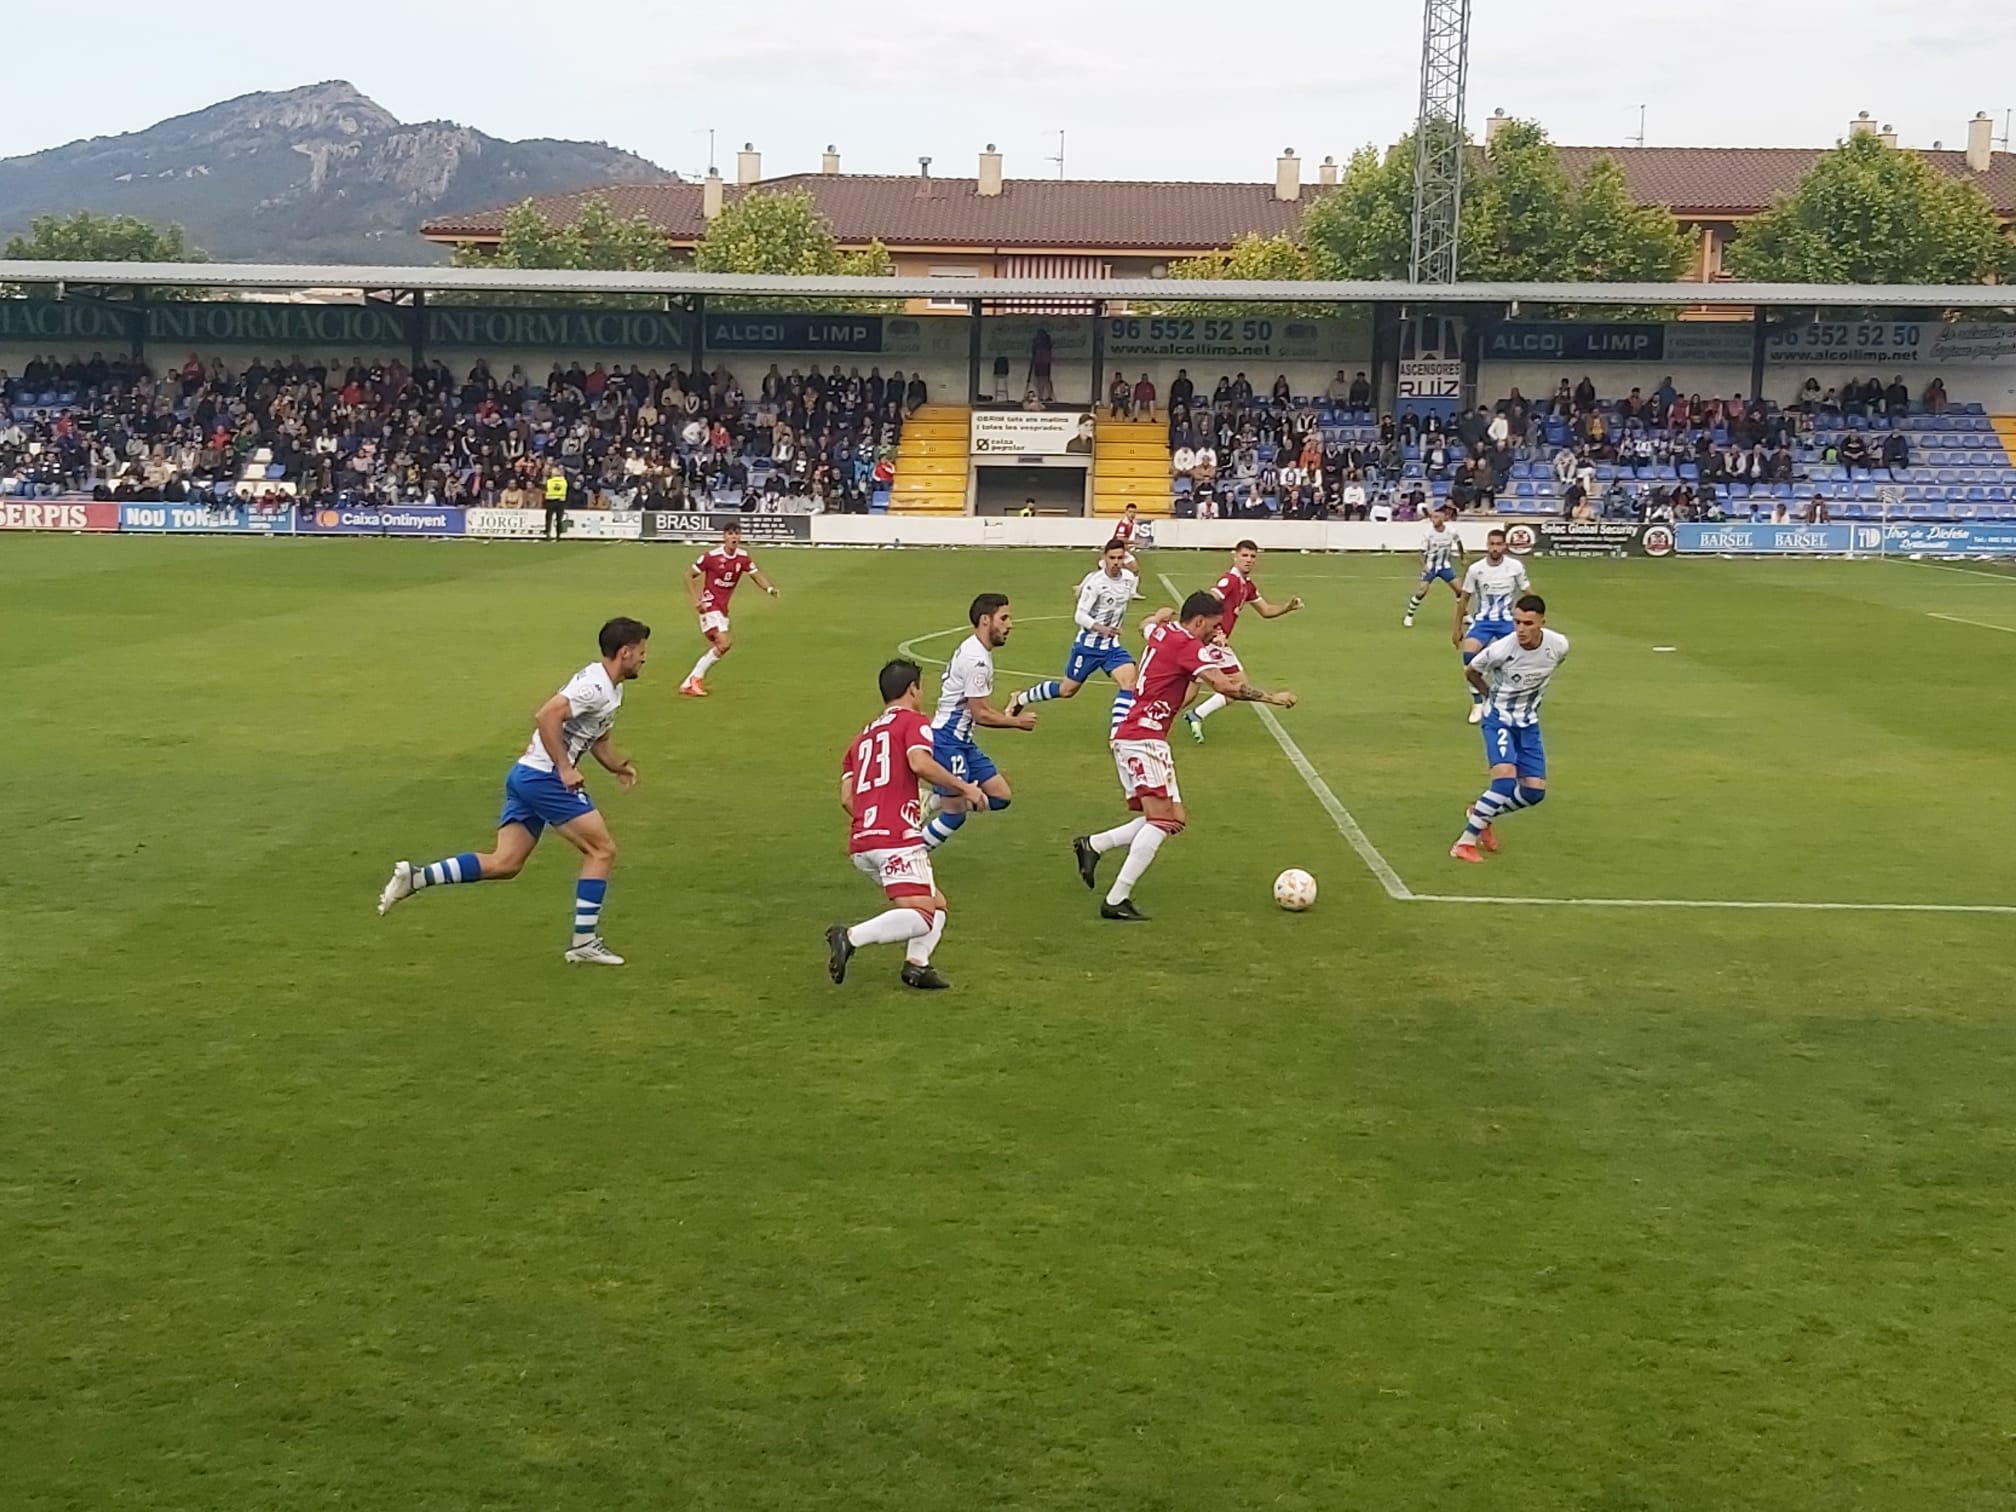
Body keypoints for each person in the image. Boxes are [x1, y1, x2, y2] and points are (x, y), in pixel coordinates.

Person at [376, 616, 650, 965]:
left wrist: (618, 766)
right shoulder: (594, 687)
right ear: (625, 652)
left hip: (526, 775)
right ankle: (583, 942)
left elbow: (597, 739)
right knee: (602, 850)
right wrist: (565, 769)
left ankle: (416, 877)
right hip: (543, 778)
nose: (644, 658)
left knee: (505, 863)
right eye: (641, 651)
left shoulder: (611, 690)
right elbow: (546, 716)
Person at [1073, 594, 1298, 919]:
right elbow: (1225, 685)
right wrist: (1273, 697)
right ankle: (1115, 899)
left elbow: (1145, 625)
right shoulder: (1188, 645)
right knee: (1162, 820)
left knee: (1174, 818)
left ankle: (1094, 845)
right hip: (1144, 737)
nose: (1217, 633)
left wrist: (1160, 614)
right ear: (1198, 621)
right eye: (1214, 626)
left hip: (1137, 735)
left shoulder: (1162, 631)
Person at [827, 658, 986, 992]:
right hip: (896, 839)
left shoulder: (860, 740)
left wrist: (872, 819)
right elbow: (919, 762)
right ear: (913, 689)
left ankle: (917, 966)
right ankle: (851, 937)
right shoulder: (913, 721)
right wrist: (965, 787)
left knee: (936, 904)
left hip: (862, 842)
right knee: (922, 915)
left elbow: (846, 798)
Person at [1450, 594, 1568, 863]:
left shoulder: (1559, 646)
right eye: (1516, 622)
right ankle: (1464, 843)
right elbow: (1471, 671)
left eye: (1528, 623)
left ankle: (1481, 814)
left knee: (1533, 792)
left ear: (1542, 622)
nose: (1521, 629)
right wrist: (1488, 695)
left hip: (1528, 723)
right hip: (1499, 719)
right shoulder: (1502, 649)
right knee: (1503, 782)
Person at [920, 592, 1036, 850]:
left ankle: (935, 800)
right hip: (947, 741)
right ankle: (910, 859)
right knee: (955, 815)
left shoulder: (976, 648)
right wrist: (1016, 723)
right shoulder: (977, 661)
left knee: (1001, 796)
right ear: (986, 620)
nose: (1010, 625)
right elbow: (980, 714)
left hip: (962, 741)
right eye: (1004, 618)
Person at [1006, 539, 1143, 734]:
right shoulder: (1096, 583)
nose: (1116, 562)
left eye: (1120, 558)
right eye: (1112, 558)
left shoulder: (1128, 578)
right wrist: (1100, 628)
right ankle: (1020, 698)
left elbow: (1131, 580)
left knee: (1130, 683)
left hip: (1112, 647)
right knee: (1066, 690)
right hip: (1088, 647)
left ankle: (1118, 733)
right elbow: (1079, 615)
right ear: (1104, 558)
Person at [1181, 539, 1304, 744]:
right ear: (1235, 556)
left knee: (1191, 692)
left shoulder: (1247, 585)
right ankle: (1158, 715)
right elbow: (1210, 601)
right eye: (1244, 555)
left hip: (1214, 644)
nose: (1248, 560)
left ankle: (1186, 714)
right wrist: (1216, 632)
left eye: (1252, 556)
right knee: (1238, 687)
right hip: (1214, 644)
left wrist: (1288, 607)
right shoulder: (1229, 580)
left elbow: (1266, 611)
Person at [680, 521, 779, 697]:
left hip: (723, 609)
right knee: (724, 643)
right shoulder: (711, 556)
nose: (734, 537)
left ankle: (689, 682)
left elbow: (756, 574)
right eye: (731, 533)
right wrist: (696, 600)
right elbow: (689, 575)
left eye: (737, 533)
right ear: (724, 536)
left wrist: (769, 589)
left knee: (722, 645)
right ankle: (696, 679)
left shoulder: (743, 557)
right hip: (710, 606)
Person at [1453, 529, 1532, 725]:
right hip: (1484, 621)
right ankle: (1479, 702)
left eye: (1498, 544)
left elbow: (1527, 592)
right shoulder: (1476, 569)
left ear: (1504, 546)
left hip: (1507, 621)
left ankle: (1513, 703)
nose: (1495, 548)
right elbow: (1464, 600)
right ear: (1487, 545)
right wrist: (1456, 628)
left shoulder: (1515, 567)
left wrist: (1534, 618)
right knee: (1469, 653)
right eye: (1492, 544)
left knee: (1518, 661)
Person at [1403, 507, 1466, 627]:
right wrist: (1424, 566)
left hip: (1445, 567)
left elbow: (1458, 542)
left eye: (1436, 517)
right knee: (1421, 592)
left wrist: (1462, 557)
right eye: (1432, 517)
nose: (1433, 520)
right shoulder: (1428, 534)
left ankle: (1465, 615)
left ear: (1444, 518)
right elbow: (1421, 552)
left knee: (1460, 591)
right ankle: (1409, 616)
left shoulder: (1451, 531)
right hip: (1431, 567)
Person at [542, 467, 569, 539]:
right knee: (559, 519)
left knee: (548, 518)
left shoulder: (550, 481)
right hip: (561, 501)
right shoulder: (564, 481)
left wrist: (545, 475)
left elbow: (544, 486)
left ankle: (548, 533)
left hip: (550, 501)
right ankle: (558, 535)